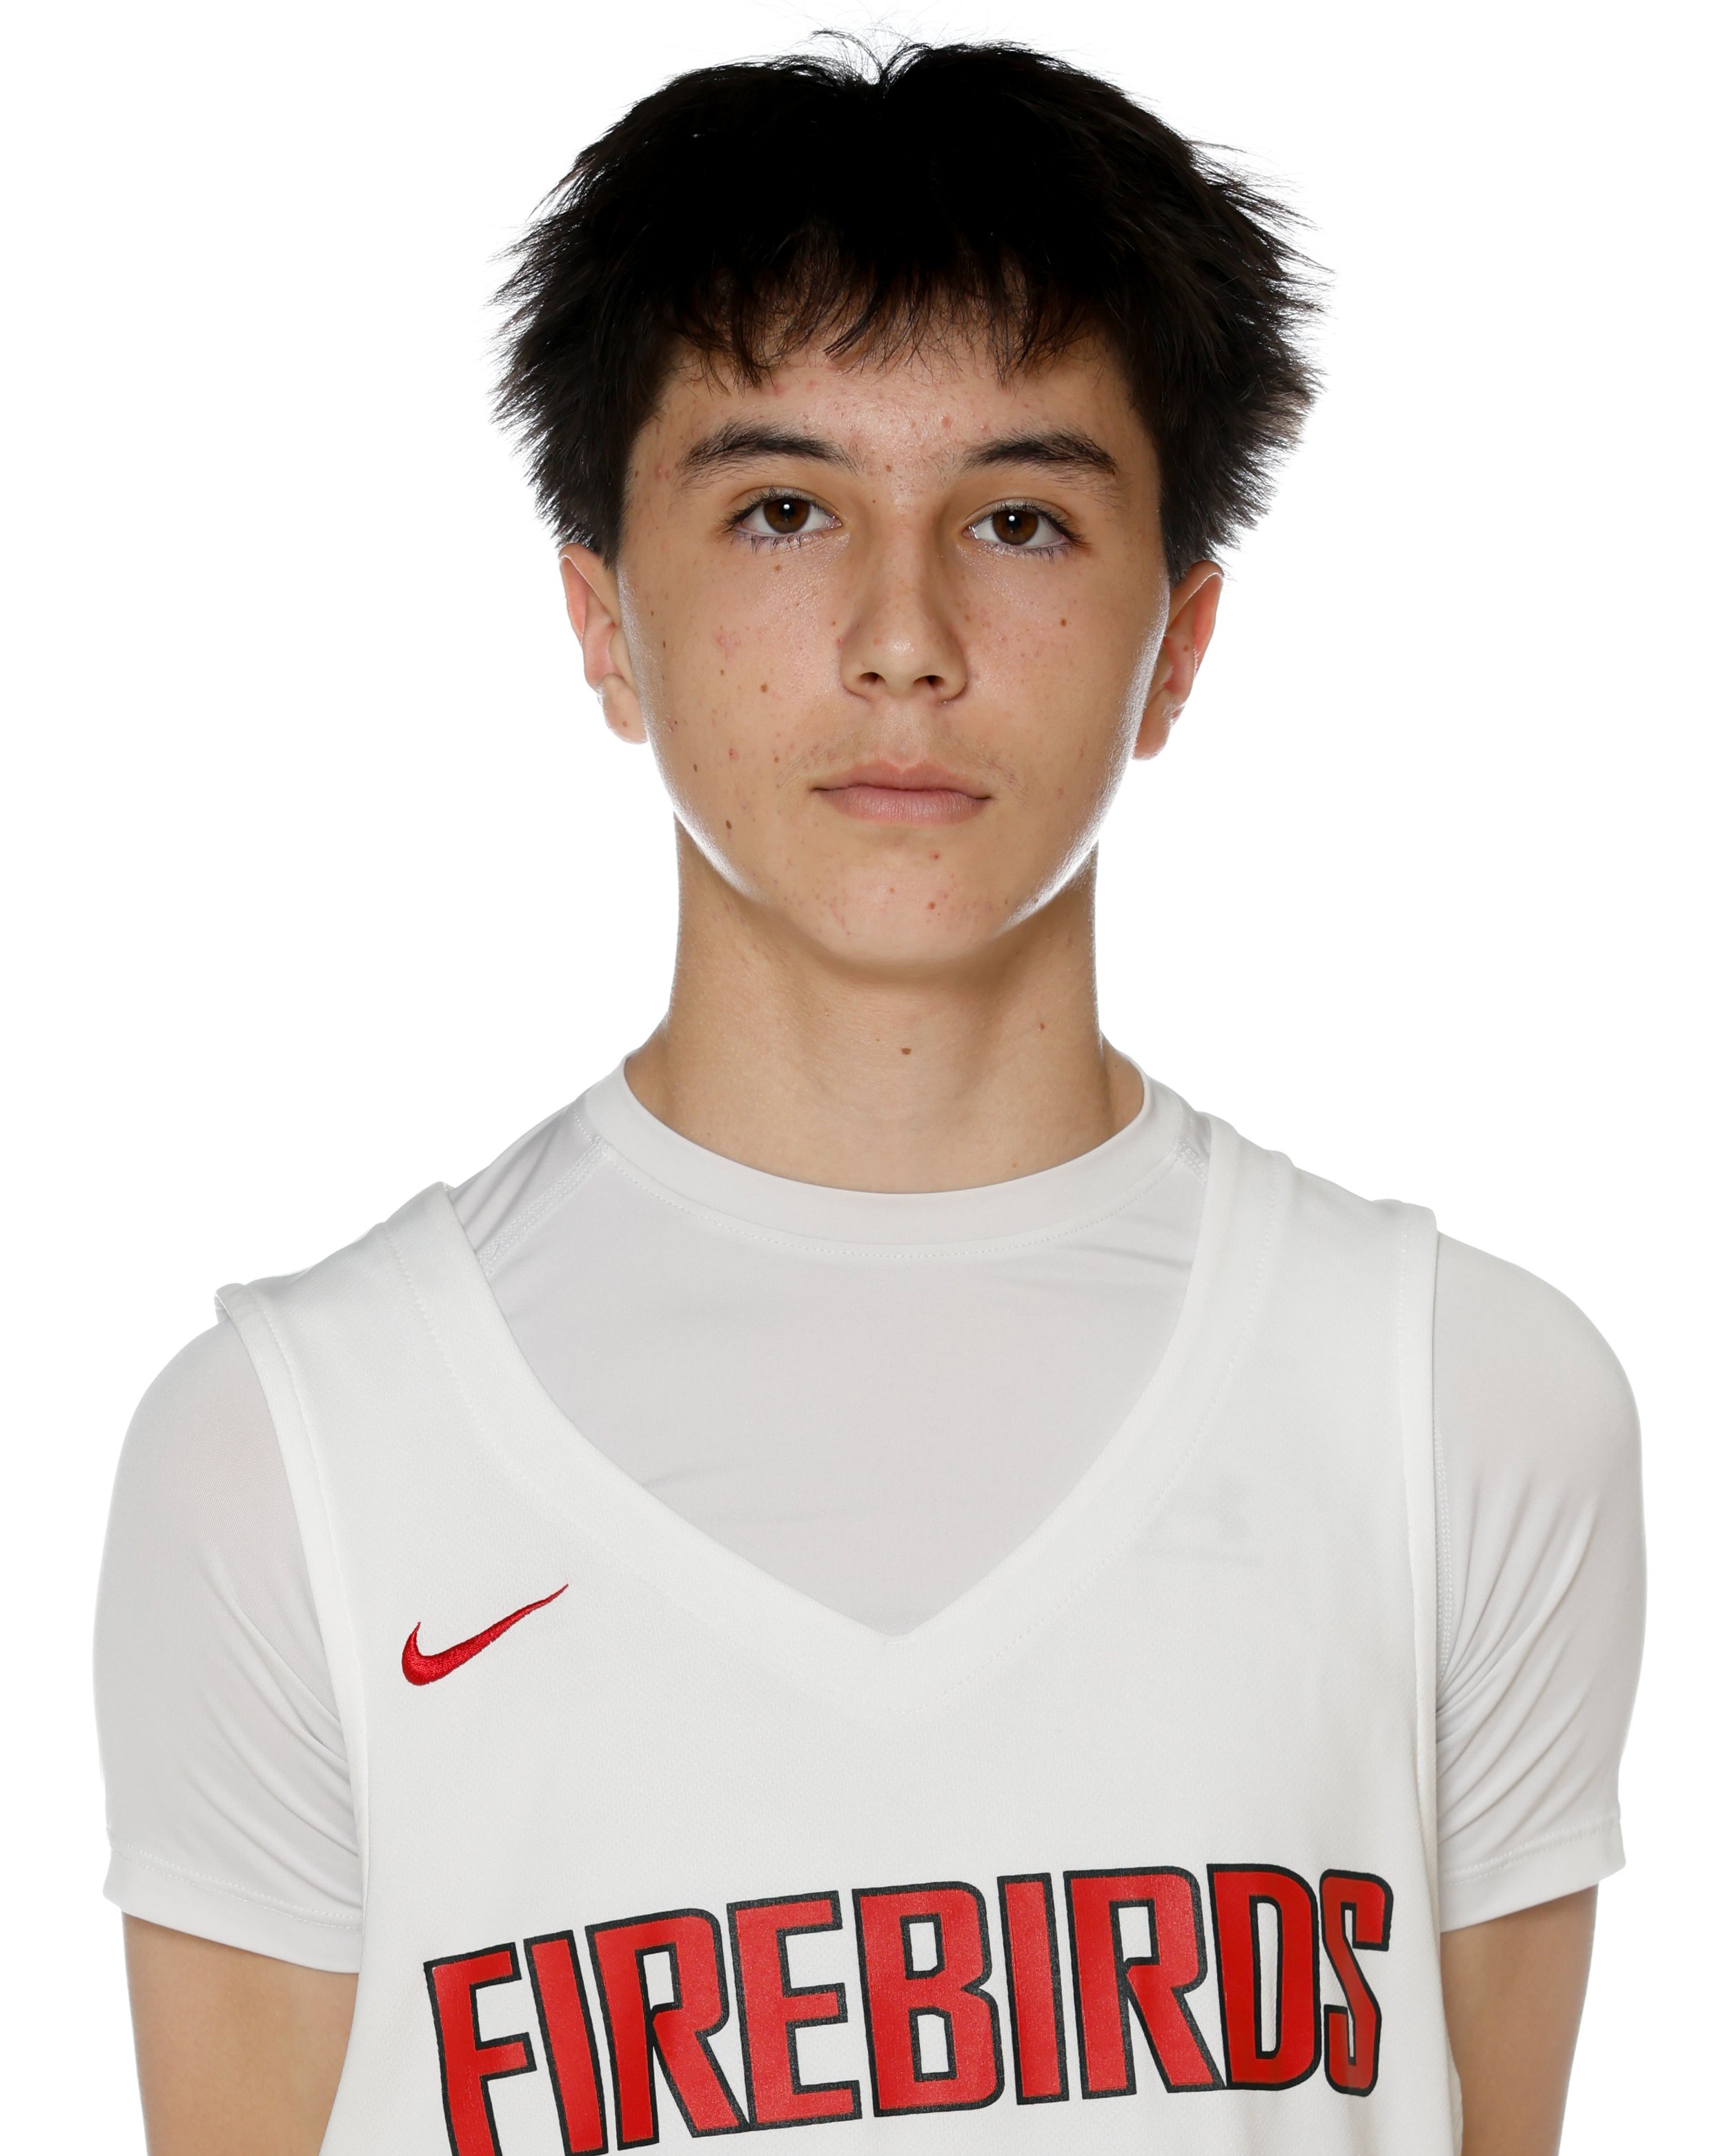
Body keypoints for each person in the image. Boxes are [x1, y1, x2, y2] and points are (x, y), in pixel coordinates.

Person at [95, 39, 1643, 2156]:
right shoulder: (290, 1455)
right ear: (602, 622)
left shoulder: (1460, 1408)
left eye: (1017, 519)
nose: (901, 637)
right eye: (782, 509)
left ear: (1178, 640)